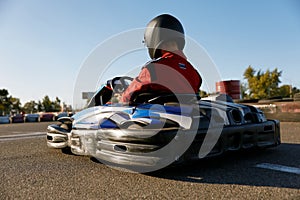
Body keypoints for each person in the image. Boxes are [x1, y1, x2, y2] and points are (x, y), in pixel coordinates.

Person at [121, 14, 202, 103]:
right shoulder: (195, 74)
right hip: (187, 115)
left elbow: (127, 97)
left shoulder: (152, 69)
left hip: (156, 115)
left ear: (152, 38)